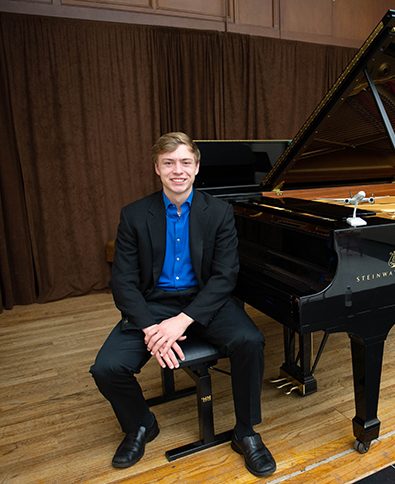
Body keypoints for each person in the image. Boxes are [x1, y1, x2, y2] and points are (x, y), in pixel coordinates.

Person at [90, 132, 276, 477]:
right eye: (169, 163)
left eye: (185, 162)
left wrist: (182, 321)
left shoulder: (219, 213)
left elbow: (225, 276)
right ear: (157, 169)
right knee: (107, 368)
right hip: (153, 304)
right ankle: (141, 425)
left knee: (250, 341)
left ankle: (246, 431)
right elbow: (123, 281)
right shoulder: (133, 215)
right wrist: (150, 328)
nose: (178, 170)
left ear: (196, 167)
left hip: (205, 301)